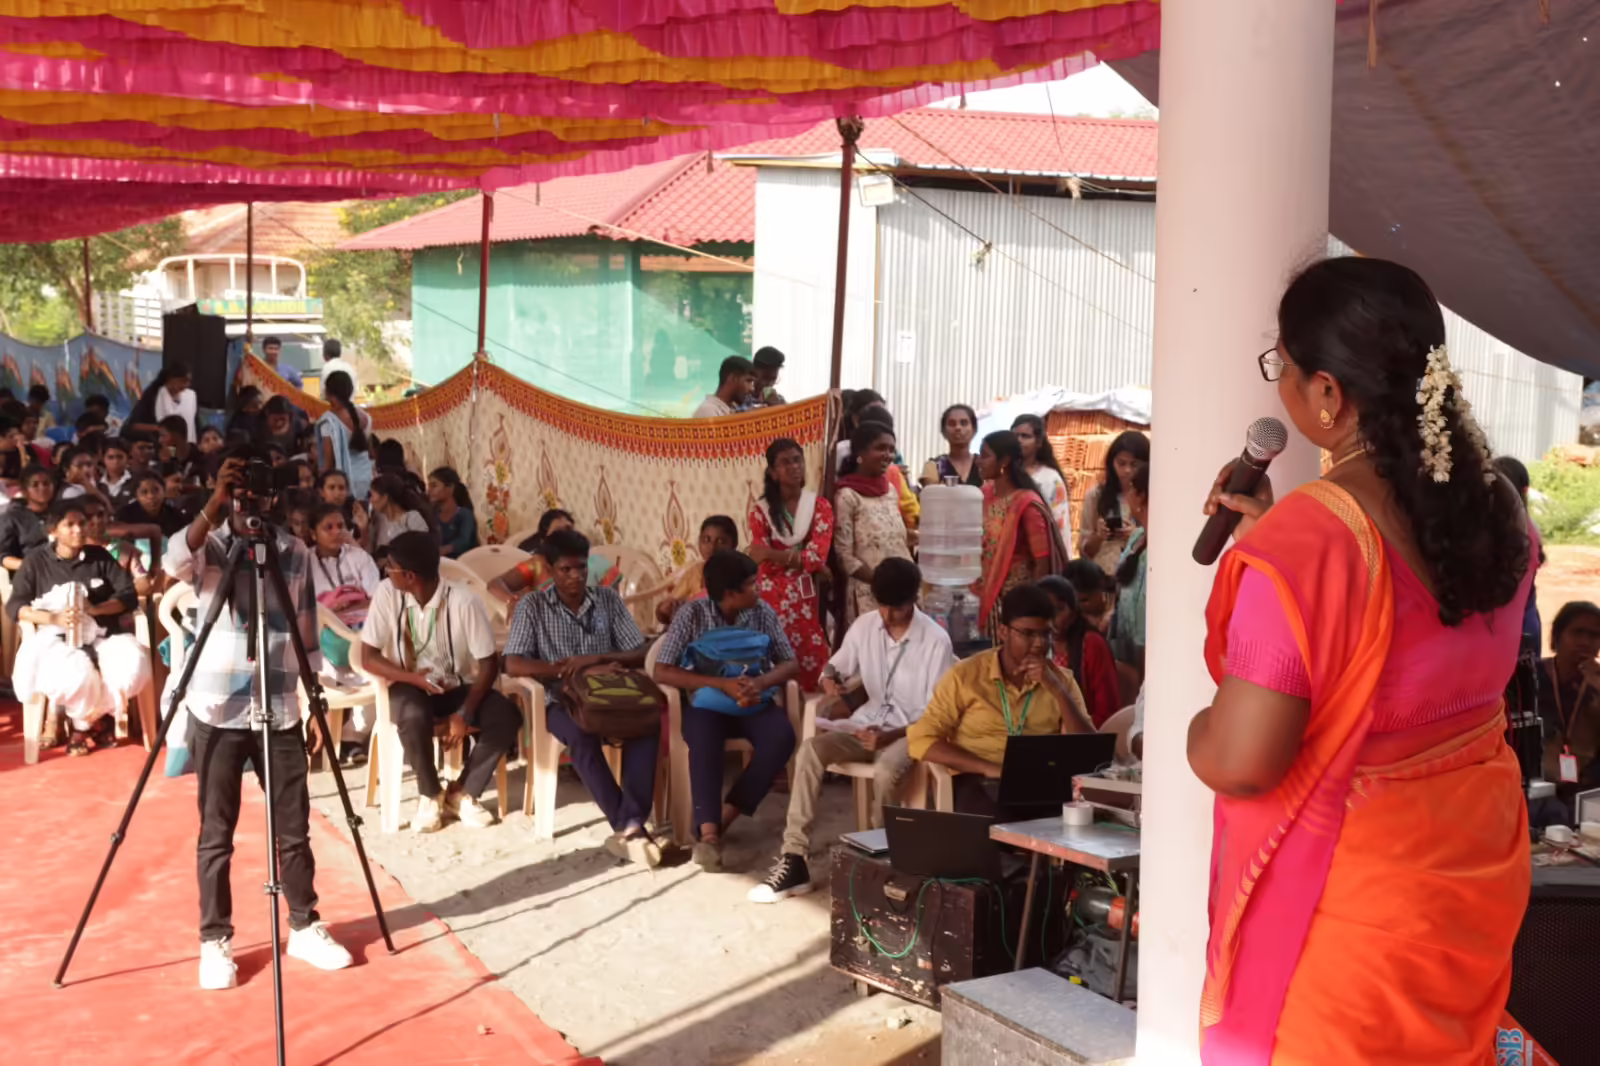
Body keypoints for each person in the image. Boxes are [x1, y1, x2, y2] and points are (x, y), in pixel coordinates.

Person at [1188, 257, 1535, 1062]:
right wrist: (1281, 544)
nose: (1280, 385)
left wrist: (1193, 729)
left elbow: (1241, 762)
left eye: (1282, 365)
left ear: (1327, 393)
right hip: (1468, 878)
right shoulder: (1498, 504)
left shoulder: (1313, 539)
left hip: (1352, 907)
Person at [163, 447, 352, 989]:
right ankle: (214, 940)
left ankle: (304, 925)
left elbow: (306, 633)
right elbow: (173, 562)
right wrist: (214, 504)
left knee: (294, 827)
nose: (250, 501)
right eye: (240, 491)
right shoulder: (210, 544)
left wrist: (316, 702)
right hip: (218, 707)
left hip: (282, 706)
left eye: (257, 491)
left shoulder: (293, 551)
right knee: (216, 833)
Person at [750, 558, 954, 904]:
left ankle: (878, 859)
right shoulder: (865, 626)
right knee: (811, 751)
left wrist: (889, 736)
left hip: (910, 732)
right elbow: (836, 665)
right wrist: (830, 677)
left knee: (887, 769)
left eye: (897, 608)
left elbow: (936, 717)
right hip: (867, 724)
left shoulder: (936, 641)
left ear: (913, 600)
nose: (887, 615)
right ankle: (794, 858)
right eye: (882, 605)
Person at [503, 529, 662, 866]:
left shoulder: (608, 600)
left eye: (581, 567)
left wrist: (596, 660)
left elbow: (639, 650)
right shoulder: (533, 605)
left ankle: (631, 825)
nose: (575, 576)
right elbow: (513, 662)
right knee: (581, 736)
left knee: (647, 725)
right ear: (549, 569)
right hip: (559, 700)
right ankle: (630, 826)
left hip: (610, 695)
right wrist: (566, 671)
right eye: (566, 569)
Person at [359, 531, 522, 833]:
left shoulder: (464, 601)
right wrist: (411, 678)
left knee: (507, 715)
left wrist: (464, 714)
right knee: (413, 714)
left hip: (455, 687)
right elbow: (368, 656)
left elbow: (488, 663)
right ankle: (430, 794)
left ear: (410, 576)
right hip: (407, 686)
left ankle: (463, 792)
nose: (387, 571)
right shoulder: (387, 593)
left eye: (391, 567)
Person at [651, 549, 799, 871]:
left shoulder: (762, 611)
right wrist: (720, 684)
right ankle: (708, 837)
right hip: (709, 705)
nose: (758, 589)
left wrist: (759, 683)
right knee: (703, 742)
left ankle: (724, 819)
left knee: (782, 738)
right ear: (730, 593)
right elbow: (662, 670)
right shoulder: (692, 615)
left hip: (754, 702)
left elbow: (790, 662)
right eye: (751, 584)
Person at [908, 585, 1092, 816]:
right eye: (1028, 634)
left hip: (1040, 779)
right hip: (979, 778)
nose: (1039, 643)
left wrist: (1058, 691)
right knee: (995, 816)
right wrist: (990, 768)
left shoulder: (1061, 680)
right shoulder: (965, 676)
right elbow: (922, 740)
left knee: (1080, 817)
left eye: (1046, 633)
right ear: (1003, 632)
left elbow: (1088, 751)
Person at [8, 499, 150, 756]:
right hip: (57, 637)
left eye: (82, 523)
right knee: (75, 676)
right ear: (53, 529)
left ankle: (85, 722)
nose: (78, 530)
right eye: (70, 525)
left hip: (104, 634)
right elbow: (16, 605)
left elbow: (127, 595)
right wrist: (53, 618)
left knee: (133, 665)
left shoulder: (100, 557)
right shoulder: (36, 561)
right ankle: (88, 726)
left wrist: (95, 609)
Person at [748, 438, 833, 690]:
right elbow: (760, 561)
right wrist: (801, 559)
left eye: (798, 460)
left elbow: (816, 558)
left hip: (804, 591)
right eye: (785, 463)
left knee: (811, 646)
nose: (794, 467)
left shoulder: (819, 506)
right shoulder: (761, 511)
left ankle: (810, 698)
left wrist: (771, 554)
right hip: (769, 590)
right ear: (773, 473)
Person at [973, 430, 1070, 636]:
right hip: (982, 595)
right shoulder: (983, 495)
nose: (979, 461)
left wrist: (1030, 605)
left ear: (1004, 461)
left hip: (1014, 601)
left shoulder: (1026, 503)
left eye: (985, 456)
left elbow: (1042, 561)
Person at [834, 422, 913, 624]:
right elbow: (844, 556)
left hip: (904, 593)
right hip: (870, 595)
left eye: (891, 449)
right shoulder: (847, 496)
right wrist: (881, 583)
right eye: (880, 448)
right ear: (860, 453)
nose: (888, 455)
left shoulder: (890, 491)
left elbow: (896, 538)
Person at [1039, 576, 1122, 728]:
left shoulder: (1092, 645)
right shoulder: (1035, 647)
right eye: (1042, 611)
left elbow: (1107, 713)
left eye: (1058, 610)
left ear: (1073, 612)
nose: (1050, 619)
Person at [1540, 601, 1600, 803]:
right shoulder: (1530, 677)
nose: (1585, 642)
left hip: (1587, 786)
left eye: (1594, 635)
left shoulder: (1597, 681)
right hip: (1536, 783)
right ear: (1557, 636)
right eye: (1577, 632)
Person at [1078, 430, 1149, 575]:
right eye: (1121, 463)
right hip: (1102, 574)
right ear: (1111, 463)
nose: (1127, 470)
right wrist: (1099, 536)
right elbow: (1084, 552)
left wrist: (1136, 535)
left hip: (1139, 575)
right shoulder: (1096, 496)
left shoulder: (1154, 497)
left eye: (1134, 464)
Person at [648, 515, 738, 626]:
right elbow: (668, 605)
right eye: (706, 540)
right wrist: (663, 610)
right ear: (699, 542)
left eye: (720, 541)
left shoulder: (740, 573)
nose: (712, 547)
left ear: (734, 544)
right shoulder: (695, 572)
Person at [1108, 463, 1149, 675]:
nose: (1128, 495)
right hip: (1125, 641)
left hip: (1145, 647)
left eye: (1132, 488)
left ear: (1141, 496)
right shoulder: (1137, 537)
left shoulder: (1158, 550)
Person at [1012, 413, 1072, 540]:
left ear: (1038, 442)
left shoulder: (1050, 478)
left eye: (1025, 436)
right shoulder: (1003, 474)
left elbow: (1060, 524)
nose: (1018, 440)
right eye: (1015, 436)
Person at [316, 370, 373, 501]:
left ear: (328, 392)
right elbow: (370, 452)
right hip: (367, 479)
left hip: (343, 485)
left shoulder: (329, 421)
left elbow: (328, 464)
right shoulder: (366, 417)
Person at [360, 472, 433, 560]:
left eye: (372, 495)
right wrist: (364, 529)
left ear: (385, 497)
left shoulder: (411, 518)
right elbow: (367, 554)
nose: (370, 500)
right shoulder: (377, 520)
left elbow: (425, 550)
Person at [0, 465, 57, 570]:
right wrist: (32, 567)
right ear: (25, 490)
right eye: (35, 485)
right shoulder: (12, 517)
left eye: (46, 483)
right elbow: (3, 556)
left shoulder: (62, 512)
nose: (42, 488)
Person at [920, 403, 983, 488]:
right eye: (952, 424)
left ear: (974, 429)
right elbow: (932, 494)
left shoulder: (984, 465)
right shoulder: (934, 467)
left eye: (964, 423)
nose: (958, 428)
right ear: (943, 431)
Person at [428, 466, 479, 558]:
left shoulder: (465, 515)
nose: (429, 490)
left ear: (450, 488)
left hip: (462, 561)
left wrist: (443, 550)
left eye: (434, 486)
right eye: (429, 486)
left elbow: (464, 541)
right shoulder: (433, 513)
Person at [1063, 558, 1115, 634]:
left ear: (1101, 589)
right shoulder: (1074, 618)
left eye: (1084, 600)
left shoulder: (1121, 605)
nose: (1078, 606)